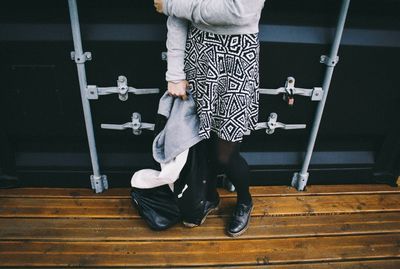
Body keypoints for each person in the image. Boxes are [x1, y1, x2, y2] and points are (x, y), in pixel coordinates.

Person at [154, 0, 265, 237]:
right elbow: (176, 20)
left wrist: (172, 4)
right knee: (198, 140)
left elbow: (239, 12)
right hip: (198, 57)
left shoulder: (175, 4)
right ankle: (208, 197)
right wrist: (174, 72)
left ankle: (245, 200)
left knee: (224, 153)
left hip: (236, 61)